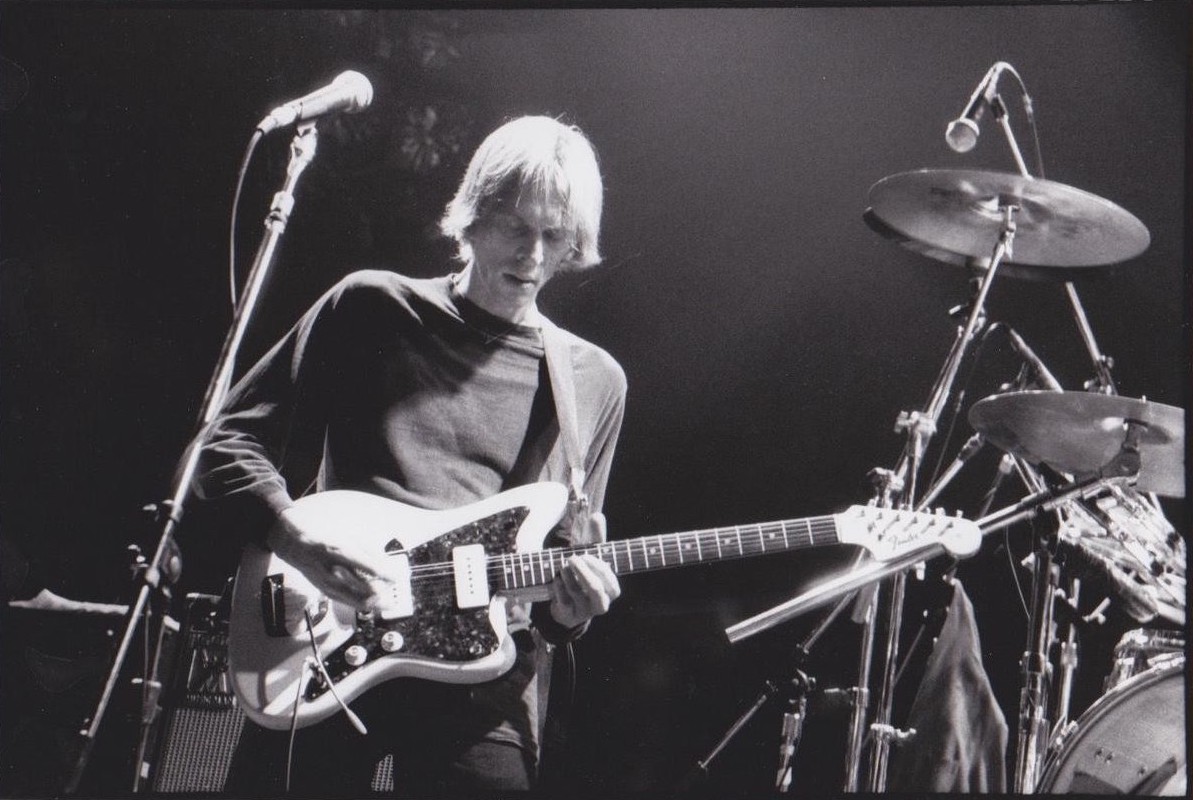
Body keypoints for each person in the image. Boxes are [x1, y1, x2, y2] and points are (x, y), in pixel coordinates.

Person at [193, 115, 626, 796]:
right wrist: (293, 534)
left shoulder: (592, 380)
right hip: (330, 639)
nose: (535, 256)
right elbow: (226, 441)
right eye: (518, 228)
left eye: (556, 237)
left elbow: (559, 571)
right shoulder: (372, 305)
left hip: (481, 680)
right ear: (474, 216)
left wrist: (571, 611)